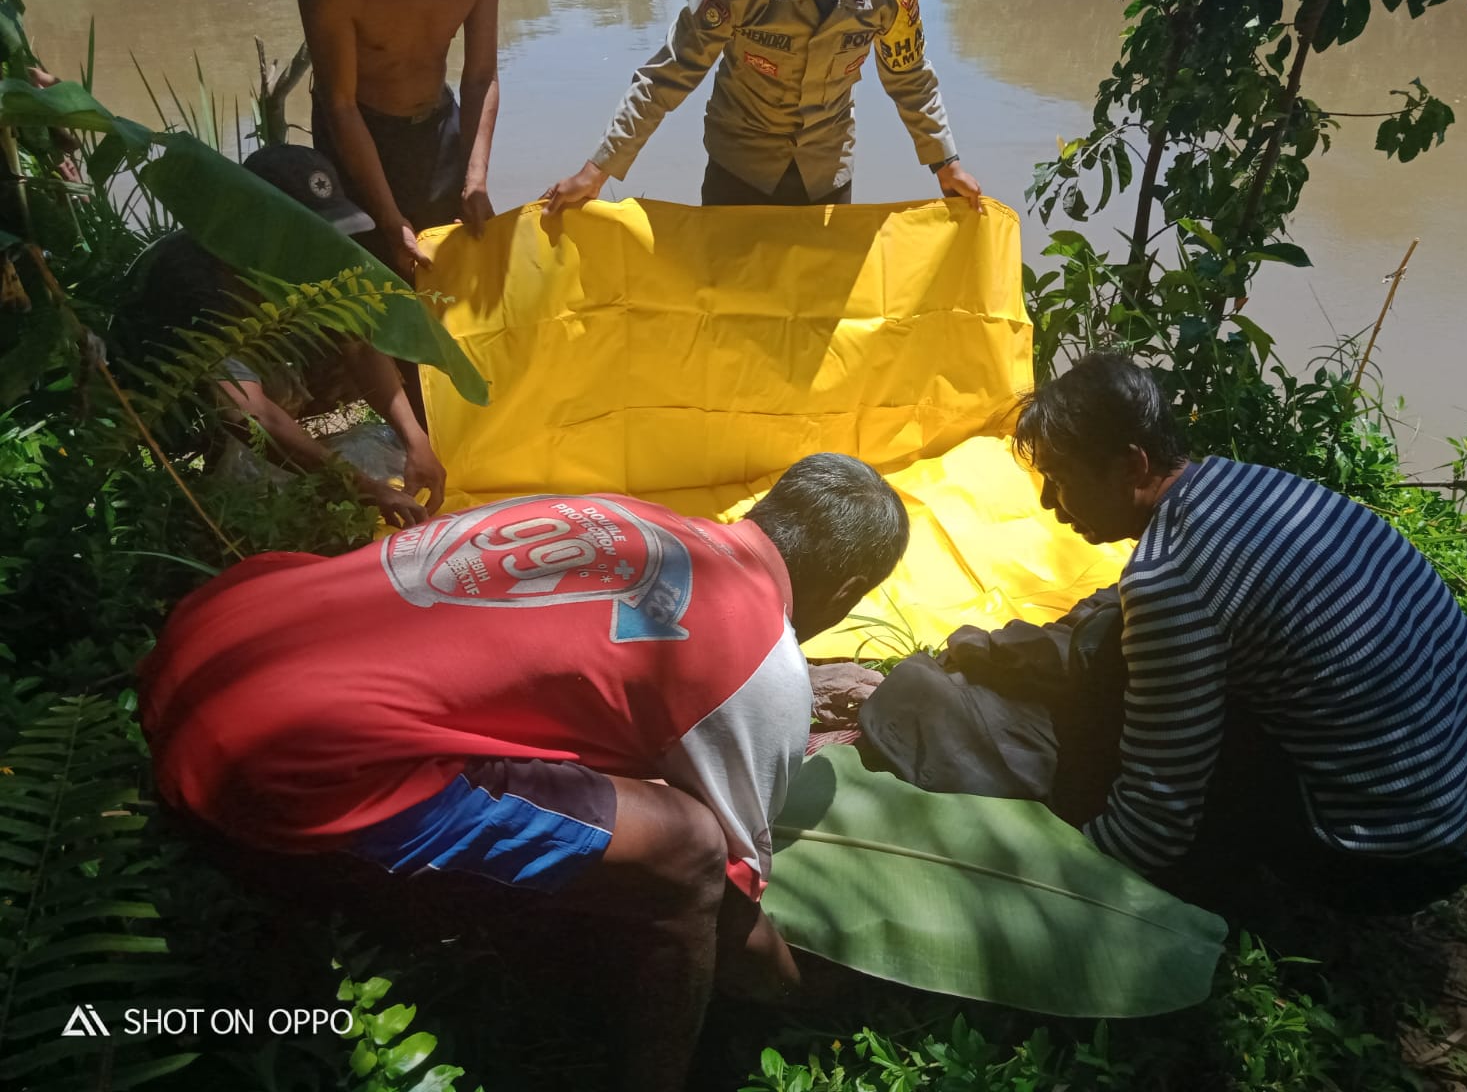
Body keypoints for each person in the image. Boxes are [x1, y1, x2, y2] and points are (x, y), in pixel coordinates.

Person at [139, 453, 910, 1090]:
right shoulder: (757, 667)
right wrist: (807, 991)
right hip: (275, 767)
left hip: (208, 652)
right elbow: (731, 905)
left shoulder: (626, 515)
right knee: (686, 852)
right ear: (845, 593)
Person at [1011, 353, 1467, 915]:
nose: (1049, 504)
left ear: (1132, 466)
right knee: (1134, 650)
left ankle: (1240, 891)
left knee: (1124, 684)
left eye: (1060, 480)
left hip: (1405, 858)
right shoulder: (1254, 482)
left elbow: (1156, 824)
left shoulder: (1168, 580)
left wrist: (1050, 877)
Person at [541, 0, 983, 214]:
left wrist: (946, 163)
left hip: (827, 174)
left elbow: (910, 79)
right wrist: (597, 170)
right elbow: (668, 77)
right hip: (739, 172)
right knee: (731, 311)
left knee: (817, 318)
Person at [133, 144, 445, 527]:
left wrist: (416, 440)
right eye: (309, 232)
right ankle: (219, 472)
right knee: (257, 408)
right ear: (260, 223)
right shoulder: (194, 282)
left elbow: (360, 347)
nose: (324, 246)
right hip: (164, 403)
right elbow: (249, 413)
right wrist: (363, 486)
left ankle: (296, 452)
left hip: (257, 358)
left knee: (352, 348)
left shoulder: (304, 257)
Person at [298, 0, 502, 279]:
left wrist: (475, 182)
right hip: (360, 135)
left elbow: (480, 77)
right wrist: (388, 216)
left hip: (439, 128)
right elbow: (339, 103)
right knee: (373, 287)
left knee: (453, 277)